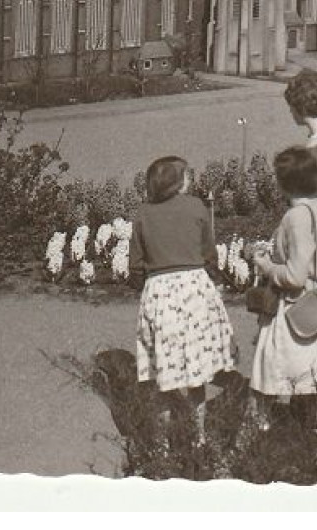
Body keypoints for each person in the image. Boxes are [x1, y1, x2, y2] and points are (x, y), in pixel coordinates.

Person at [249, 147, 317, 428]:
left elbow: (295, 276)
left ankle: (259, 445)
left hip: (296, 308)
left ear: (282, 183)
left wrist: (266, 266)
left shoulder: (294, 217)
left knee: (269, 381)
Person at [131, 155, 236, 445]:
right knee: (196, 370)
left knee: (164, 373)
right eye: (187, 176)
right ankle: (199, 437)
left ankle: (163, 444)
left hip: (159, 291)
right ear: (178, 182)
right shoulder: (196, 206)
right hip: (193, 289)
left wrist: (147, 281)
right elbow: (209, 253)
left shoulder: (142, 213)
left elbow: (135, 264)